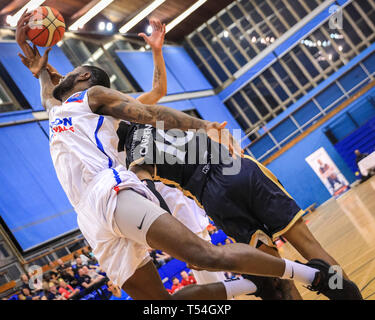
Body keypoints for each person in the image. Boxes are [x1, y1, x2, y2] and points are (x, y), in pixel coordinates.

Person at [15, 13, 361, 301]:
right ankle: (320, 284)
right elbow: (55, 102)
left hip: (210, 185)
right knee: (280, 264)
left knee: (253, 260)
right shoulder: (89, 120)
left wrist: (160, 57)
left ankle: (314, 284)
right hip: (217, 178)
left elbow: (155, 103)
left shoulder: (114, 118)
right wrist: (42, 71)